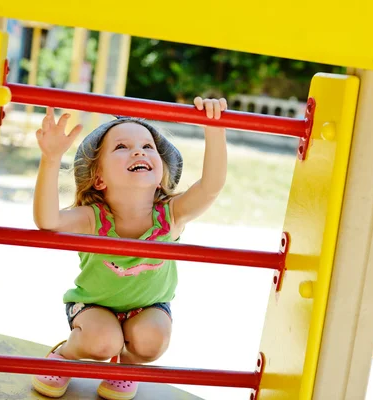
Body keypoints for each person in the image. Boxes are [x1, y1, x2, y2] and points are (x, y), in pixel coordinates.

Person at [30, 97, 228, 399]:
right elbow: (48, 221)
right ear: (98, 179)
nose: (138, 150)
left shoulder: (171, 216)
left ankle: (126, 365)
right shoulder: (93, 219)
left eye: (148, 147)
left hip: (148, 308)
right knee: (101, 342)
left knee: (153, 341)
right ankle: (65, 357)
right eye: (121, 147)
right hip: (94, 308)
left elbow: (211, 186)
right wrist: (51, 158)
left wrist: (214, 129)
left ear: (161, 174)